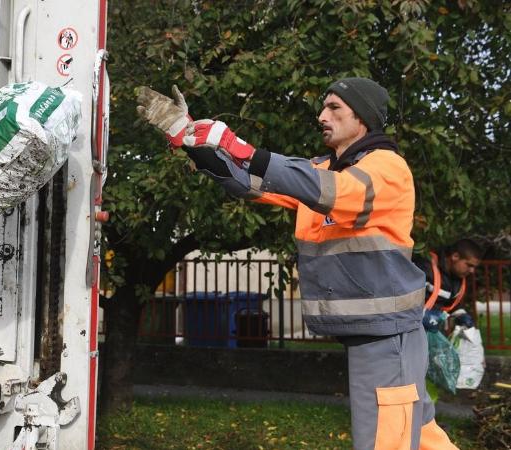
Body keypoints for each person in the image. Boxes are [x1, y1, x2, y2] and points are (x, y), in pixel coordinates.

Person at [137, 78, 458, 449]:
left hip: (388, 337)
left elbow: (330, 192)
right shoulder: (323, 169)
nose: (322, 115)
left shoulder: (386, 167)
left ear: (364, 118)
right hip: (376, 335)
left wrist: (236, 145)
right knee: (419, 434)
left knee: (389, 442)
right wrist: (189, 139)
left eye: (335, 108)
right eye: (323, 107)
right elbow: (249, 182)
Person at [414, 239, 483, 332]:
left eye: (474, 267)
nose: (472, 271)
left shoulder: (457, 280)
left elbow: (452, 305)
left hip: (429, 332)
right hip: (408, 330)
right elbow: (402, 298)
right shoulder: (425, 267)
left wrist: (462, 316)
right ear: (455, 256)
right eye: (469, 265)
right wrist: (421, 315)